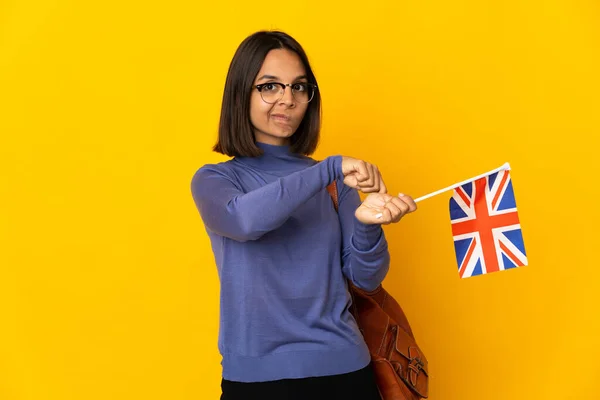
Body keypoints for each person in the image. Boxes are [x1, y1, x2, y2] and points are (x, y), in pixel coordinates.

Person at [190, 30, 417, 400]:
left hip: (345, 372)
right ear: (240, 93)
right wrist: (328, 168)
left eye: (299, 87)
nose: (287, 99)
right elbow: (245, 222)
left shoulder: (335, 185)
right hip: (254, 382)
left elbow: (366, 277)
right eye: (269, 86)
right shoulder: (216, 180)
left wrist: (367, 227)